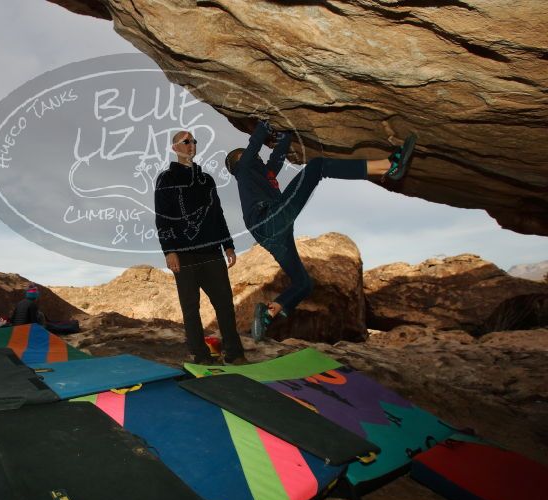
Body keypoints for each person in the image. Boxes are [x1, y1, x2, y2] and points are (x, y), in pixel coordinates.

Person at [225, 121, 417, 341]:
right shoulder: (243, 170)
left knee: (303, 283)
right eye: (245, 155)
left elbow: (275, 159)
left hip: (275, 235)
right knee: (317, 167)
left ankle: (269, 312)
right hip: (267, 218)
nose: (254, 157)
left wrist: (286, 135)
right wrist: (262, 130)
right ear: (236, 163)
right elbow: (250, 153)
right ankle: (387, 166)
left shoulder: (263, 174)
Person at [155, 130, 246, 365]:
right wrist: (169, 251)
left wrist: (228, 245)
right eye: (186, 142)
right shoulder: (166, 179)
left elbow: (218, 214)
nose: (191, 145)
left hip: (211, 251)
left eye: (193, 141)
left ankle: (235, 354)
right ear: (175, 148)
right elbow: (162, 217)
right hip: (183, 254)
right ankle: (200, 355)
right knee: (190, 306)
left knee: (225, 304)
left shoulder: (207, 180)